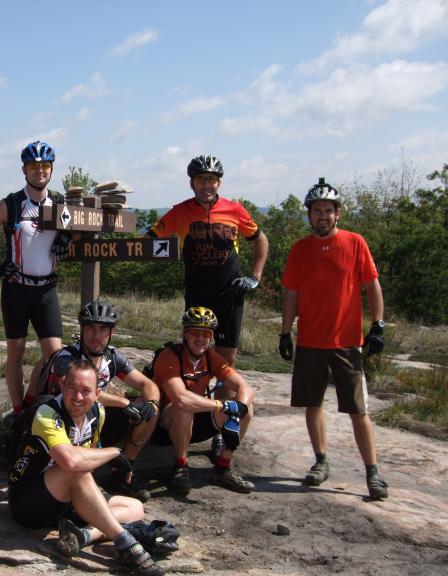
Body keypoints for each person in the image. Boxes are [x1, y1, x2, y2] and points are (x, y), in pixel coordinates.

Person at [280, 177, 389, 500]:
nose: (322, 216)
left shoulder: (355, 243)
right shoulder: (300, 249)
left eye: (328, 210)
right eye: (317, 211)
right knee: (312, 405)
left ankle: (372, 472)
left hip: (346, 343)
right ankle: (321, 461)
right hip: (310, 341)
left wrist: (378, 325)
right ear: (309, 215)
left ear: (338, 213)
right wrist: (286, 332)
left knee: (358, 410)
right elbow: (291, 294)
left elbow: (372, 285)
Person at [8, 359, 165, 576]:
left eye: (86, 391)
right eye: (72, 388)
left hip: (64, 501)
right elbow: (71, 462)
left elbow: (88, 456)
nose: (78, 397)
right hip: (28, 502)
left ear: (98, 393)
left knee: (135, 508)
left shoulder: (98, 413)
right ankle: (126, 544)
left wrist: (90, 497)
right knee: (75, 467)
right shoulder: (47, 413)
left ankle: (82, 536)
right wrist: (115, 453)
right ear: (62, 385)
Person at [0, 141, 71, 414]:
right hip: (16, 288)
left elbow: (78, 235)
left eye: (44, 166)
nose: (39, 170)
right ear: (24, 170)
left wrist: (68, 241)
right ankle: (17, 412)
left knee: (54, 354)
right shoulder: (12, 204)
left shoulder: (61, 204)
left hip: (46, 289)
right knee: (15, 352)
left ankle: (29, 401)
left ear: (51, 170)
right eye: (33, 166)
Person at [27, 300, 160, 502]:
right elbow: (78, 394)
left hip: (94, 419)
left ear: (111, 333)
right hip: (60, 423)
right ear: (81, 330)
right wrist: (124, 403)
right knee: (102, 406)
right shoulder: (67, 357)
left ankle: (123, 473)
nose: (95, 336)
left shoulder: (112, 357)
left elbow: (148, 385)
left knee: (150, 412)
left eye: (102, 329)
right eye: (89, 328)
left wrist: (152, 402)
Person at [147, 154, 268, 369]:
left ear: (219, 182)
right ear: (191, 183)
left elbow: (260, 239)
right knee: (193, 356)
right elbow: (148, 240)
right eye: (201, 179)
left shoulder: (234, 209)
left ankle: (225, 403)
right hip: (198, 292)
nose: (206, 185)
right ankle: (197, 400)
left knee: (226, 360)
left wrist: (254, 277)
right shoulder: (180, 212)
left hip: (230, 292)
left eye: (211, 179)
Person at [153, 306, 256, 495]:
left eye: (206, 334)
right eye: (195, 332)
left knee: (247, 409)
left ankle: (222, 468)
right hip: (164, 425)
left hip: (196, 418)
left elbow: (245, 387)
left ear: (211, 337)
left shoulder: (211, 357)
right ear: (185, 334)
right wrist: (223, 405)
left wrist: (236, 412)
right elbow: (181, 398)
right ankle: (180, 467)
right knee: (182, 408)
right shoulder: (169, 356)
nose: (200, 339)